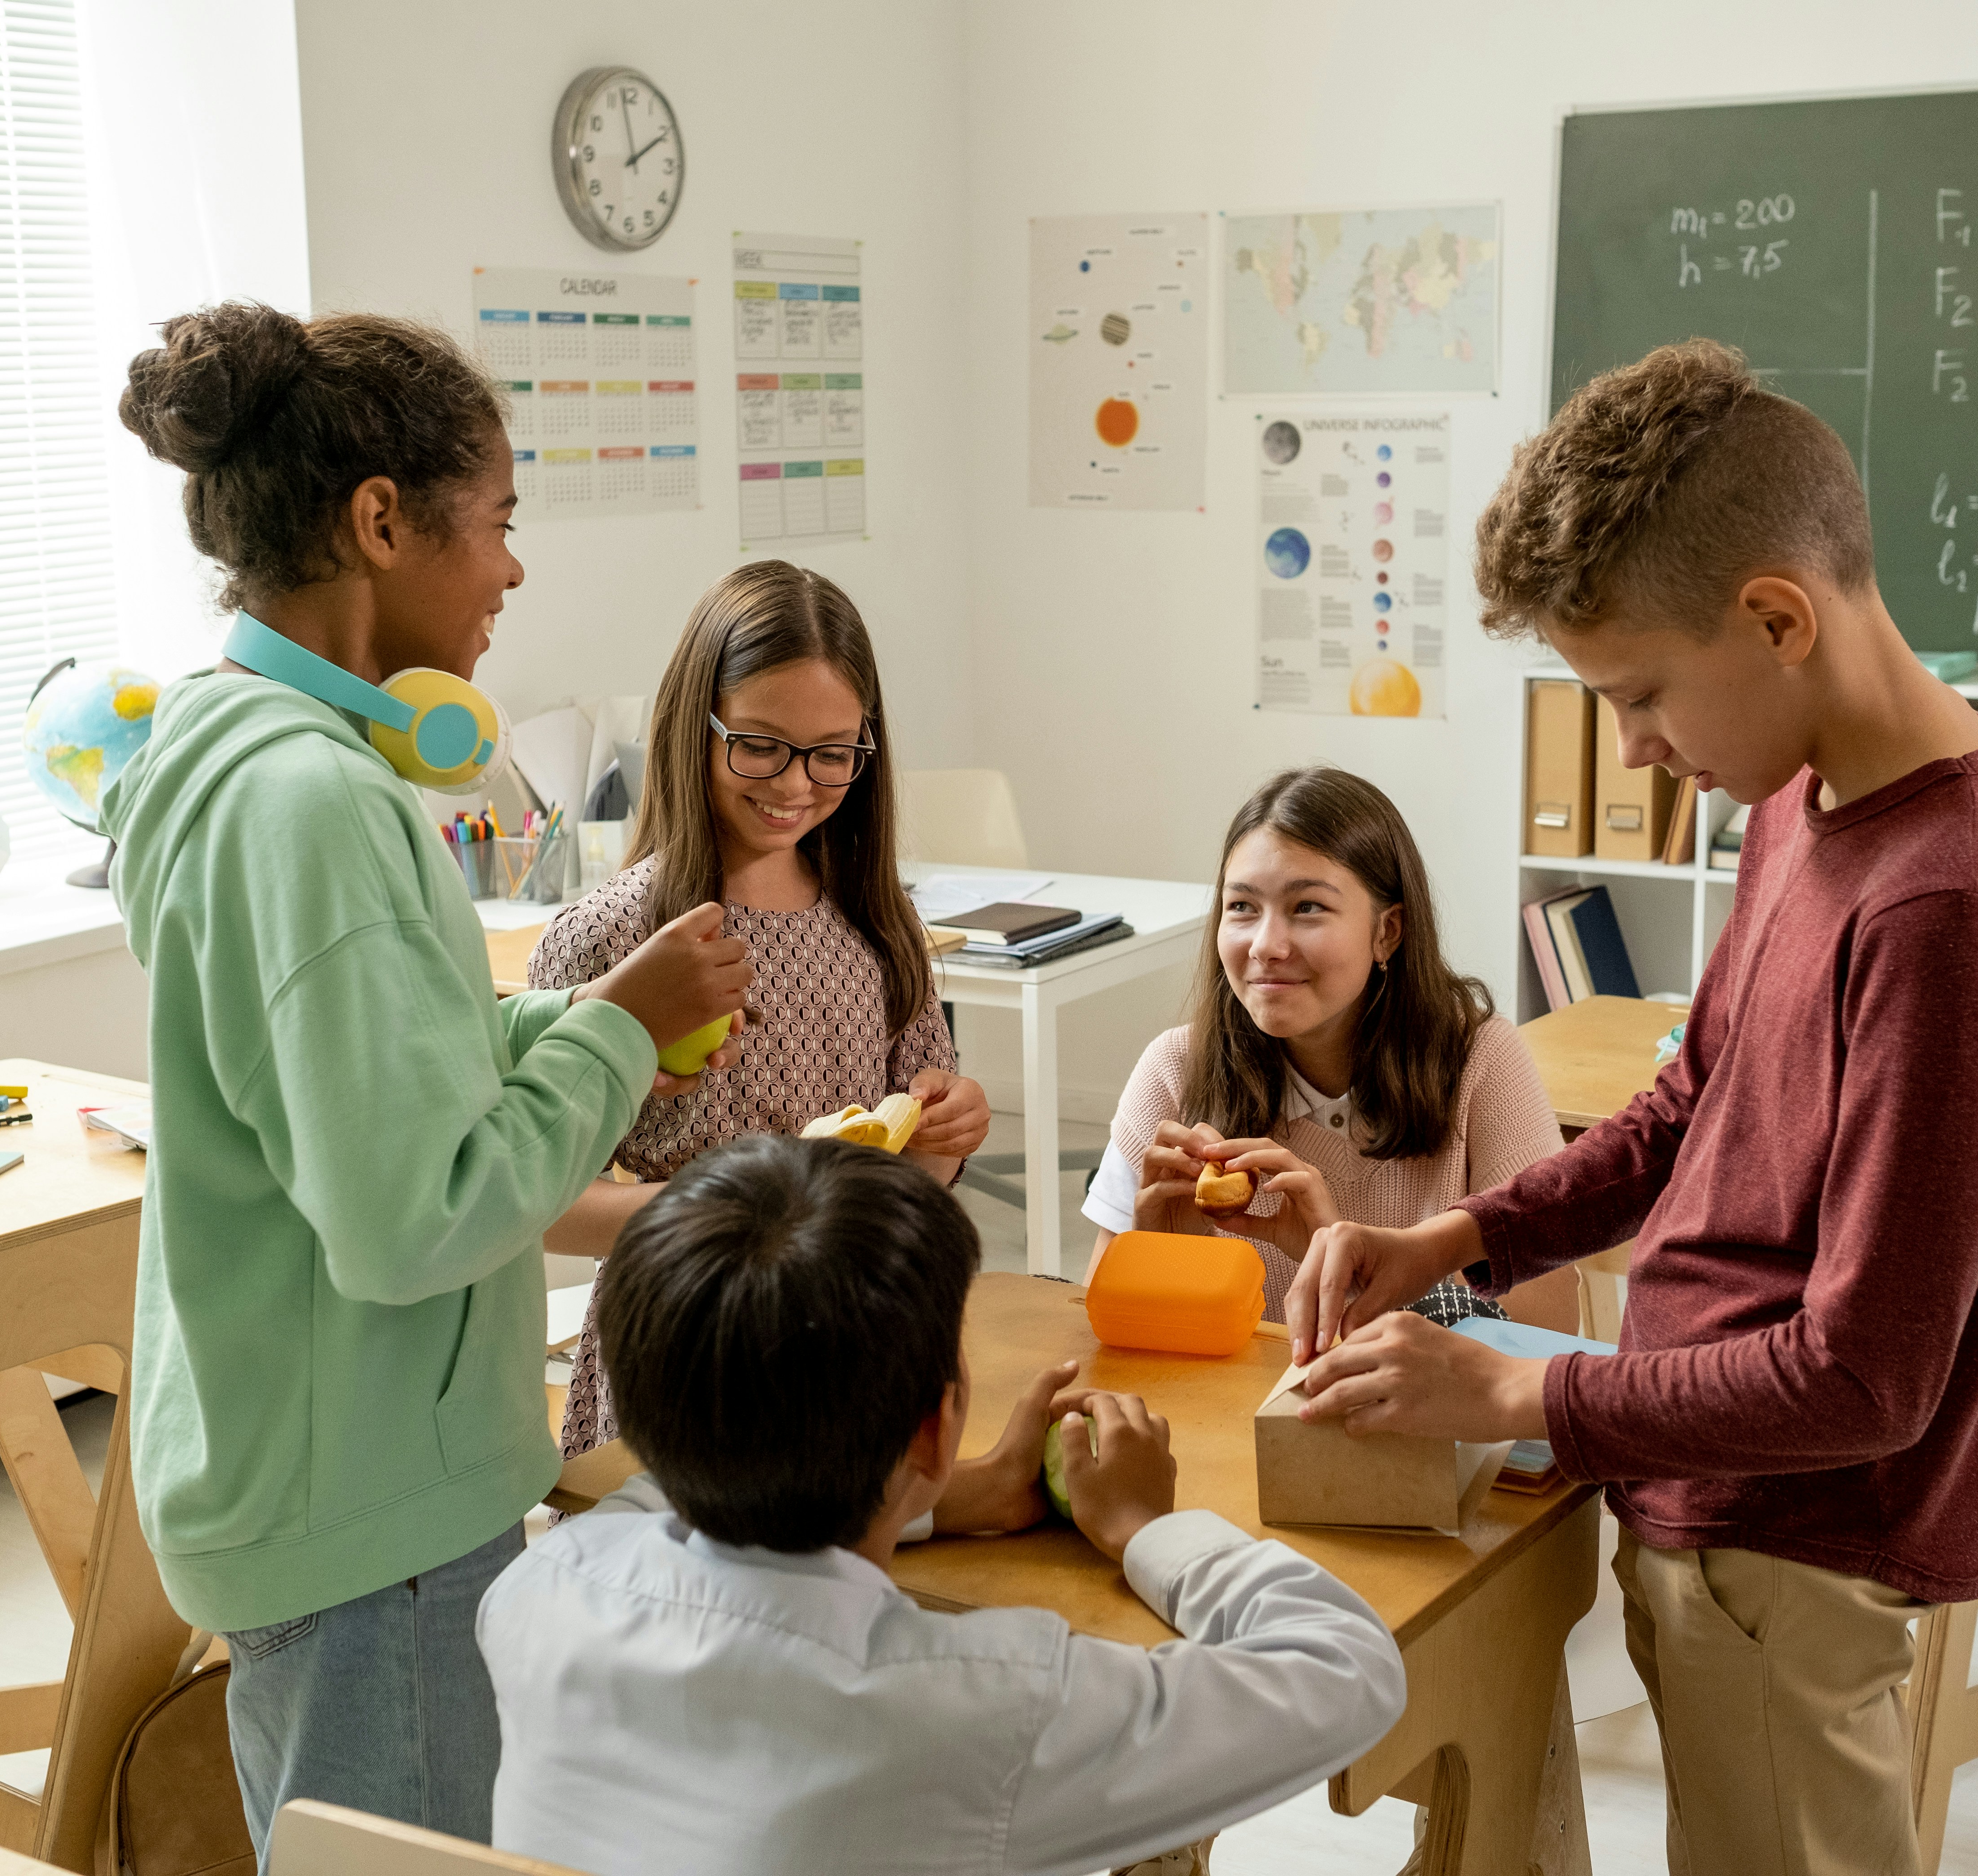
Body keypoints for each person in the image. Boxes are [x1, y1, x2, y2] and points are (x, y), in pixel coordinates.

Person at [1285, 339, 1978, 1876]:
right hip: (1704, 1489)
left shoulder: (1952, 913)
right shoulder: (1803, 800)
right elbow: (1694, 1105)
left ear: (1779, 618)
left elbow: (1868, 1383)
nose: (1635, 749)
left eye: (1642, 694)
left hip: (1795, 1543)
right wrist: (1458, 1240)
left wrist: (1513, 1395)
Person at [104, 302, 753, 1859]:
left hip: (309, 1475)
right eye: (501, 525)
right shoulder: (319, 803)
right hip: (370, 1520)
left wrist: (575, 1016)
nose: (513, 573)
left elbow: (367, 1088)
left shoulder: (223, 747)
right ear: (382, 521)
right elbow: (413, 1218)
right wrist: (620, 1026)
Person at [479, 1134, 1405, 1875]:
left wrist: (949, 1499)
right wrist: (1145, 1529)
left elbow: (655, 1498)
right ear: (934, 1430)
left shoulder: (539, 1594)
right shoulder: (985, 1712)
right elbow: (1347, 1665)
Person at [530, 559, 991, 1456]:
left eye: (832, 753)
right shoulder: (619, 933)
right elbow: (535, 1197)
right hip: (677, 1349)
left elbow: (911, 1173)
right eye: (759, 745)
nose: (794, 784)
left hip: (845, 1346)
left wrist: (945, 1135)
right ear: (692, 727)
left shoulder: (877, 923)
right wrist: (737, 1211)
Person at [1081, 765, 1571, 1332]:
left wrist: (1355, 1275)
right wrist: (1165, 1260)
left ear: (1388, 931)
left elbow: (1550, 1328)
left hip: (1418, 1419)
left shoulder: (1480, 1061)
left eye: (1307, 907)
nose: (1266, 946)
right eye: (1241, 907)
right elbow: (1106, 1336)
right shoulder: (1175, 1070)